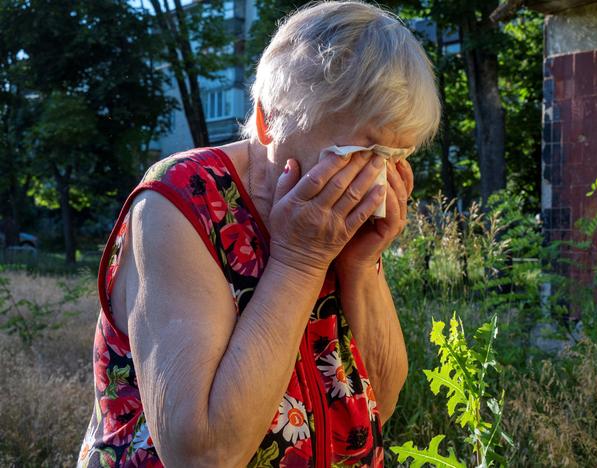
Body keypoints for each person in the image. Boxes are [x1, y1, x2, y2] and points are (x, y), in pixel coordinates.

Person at [77, 1, 440, 466]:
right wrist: (300, 262)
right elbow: (202, 453)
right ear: (270, 121)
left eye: (394, 157)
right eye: (356, 153)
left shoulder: (331, 214)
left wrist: (360, 265)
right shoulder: (179, 201)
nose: (374, 181)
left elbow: (378, 405)